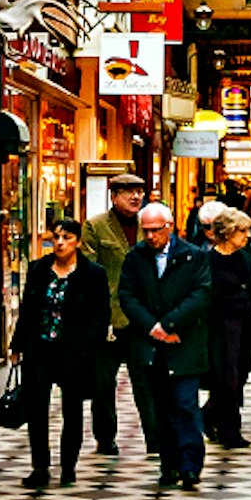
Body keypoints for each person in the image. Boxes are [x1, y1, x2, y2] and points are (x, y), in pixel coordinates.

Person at [117, 201, 213, 492]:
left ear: (169, 228)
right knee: (158, 409)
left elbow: (202, 294)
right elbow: (127, 295)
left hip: (184, 345)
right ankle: (169, 464)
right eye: (144, 230)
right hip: (150, 348)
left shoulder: (193, 256)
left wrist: (169, 325)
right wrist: (152, 328)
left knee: (184, 405)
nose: (149, 236)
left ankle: (190, 465)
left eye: (155, 231)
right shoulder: (135, 257)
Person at [10, 219, 111, 489]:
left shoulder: (92, 274)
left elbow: (100, 316)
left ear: (77, 241)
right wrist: (17, 345)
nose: (60, 242)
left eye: (66, 237)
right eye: (56, 237)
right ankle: (40, 467)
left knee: (72, 409)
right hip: (40, 349)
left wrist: (89, 346)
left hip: (74, 352)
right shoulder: (39, 269)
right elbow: (28, 310)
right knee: (37, 408)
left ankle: (68, 466)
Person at [83, 171, 152, 455]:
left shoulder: (149, 225)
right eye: (128, 192)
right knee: (103, 385)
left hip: (142, 319)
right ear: (113, 196)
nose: (136, 197)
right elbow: (87, 272)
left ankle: (155, 438)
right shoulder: (95, 227)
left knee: (146, 382)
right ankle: (105, 437)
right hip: (108, 319)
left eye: (139, 192)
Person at [201, 207, 251, 451]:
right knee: (227, 377)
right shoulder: (209, 261)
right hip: (221, 326)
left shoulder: (246, 256)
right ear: (227, 233)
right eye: (242, 231)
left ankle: (208, 415)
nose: (247, 236)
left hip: (246, 323)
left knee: (241, 374)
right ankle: (230, 430)